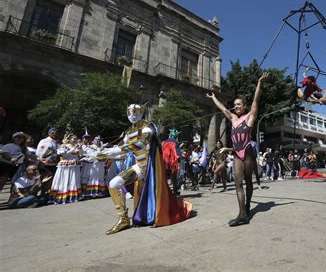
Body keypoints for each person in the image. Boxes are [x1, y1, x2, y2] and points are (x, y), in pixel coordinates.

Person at [99, 103, 192, 235]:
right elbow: (121, 148)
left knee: (151, 193)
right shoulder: (129, 131)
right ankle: (123, 219)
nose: (132, 115)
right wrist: (99, 154)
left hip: (151, 168)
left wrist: (112, 152)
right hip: (139, 166)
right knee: (114, 184)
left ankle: (153, 214)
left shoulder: (148, 127)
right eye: (129, 112)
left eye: (135, 112)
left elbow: (139, 144)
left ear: (142, 112)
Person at [206, 72, 269, 226]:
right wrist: (214, 98)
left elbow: (256, 100)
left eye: (239, 104)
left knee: (248, 181)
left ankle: (247, 206)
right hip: (237, 154)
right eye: (234, 104)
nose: (236, 106)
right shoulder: (233, 118)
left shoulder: (249, 117)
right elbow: (223, 109)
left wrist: (259, 82)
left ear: (244, 106)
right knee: (237, 183)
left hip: (247, 152)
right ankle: (242, 214)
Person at [49, 133, 83, 204]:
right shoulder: (64, 146)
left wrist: (80, 148)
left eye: (76, 139)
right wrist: (74, 148)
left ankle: (72, 195)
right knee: (65, 179)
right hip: (66, 165)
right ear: (69, 139)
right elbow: (64, 155)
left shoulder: (76, 146)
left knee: (73, 179)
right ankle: (62, 195)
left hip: (74, 165)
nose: (75, 140)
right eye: (74, 139)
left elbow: (81, 154)